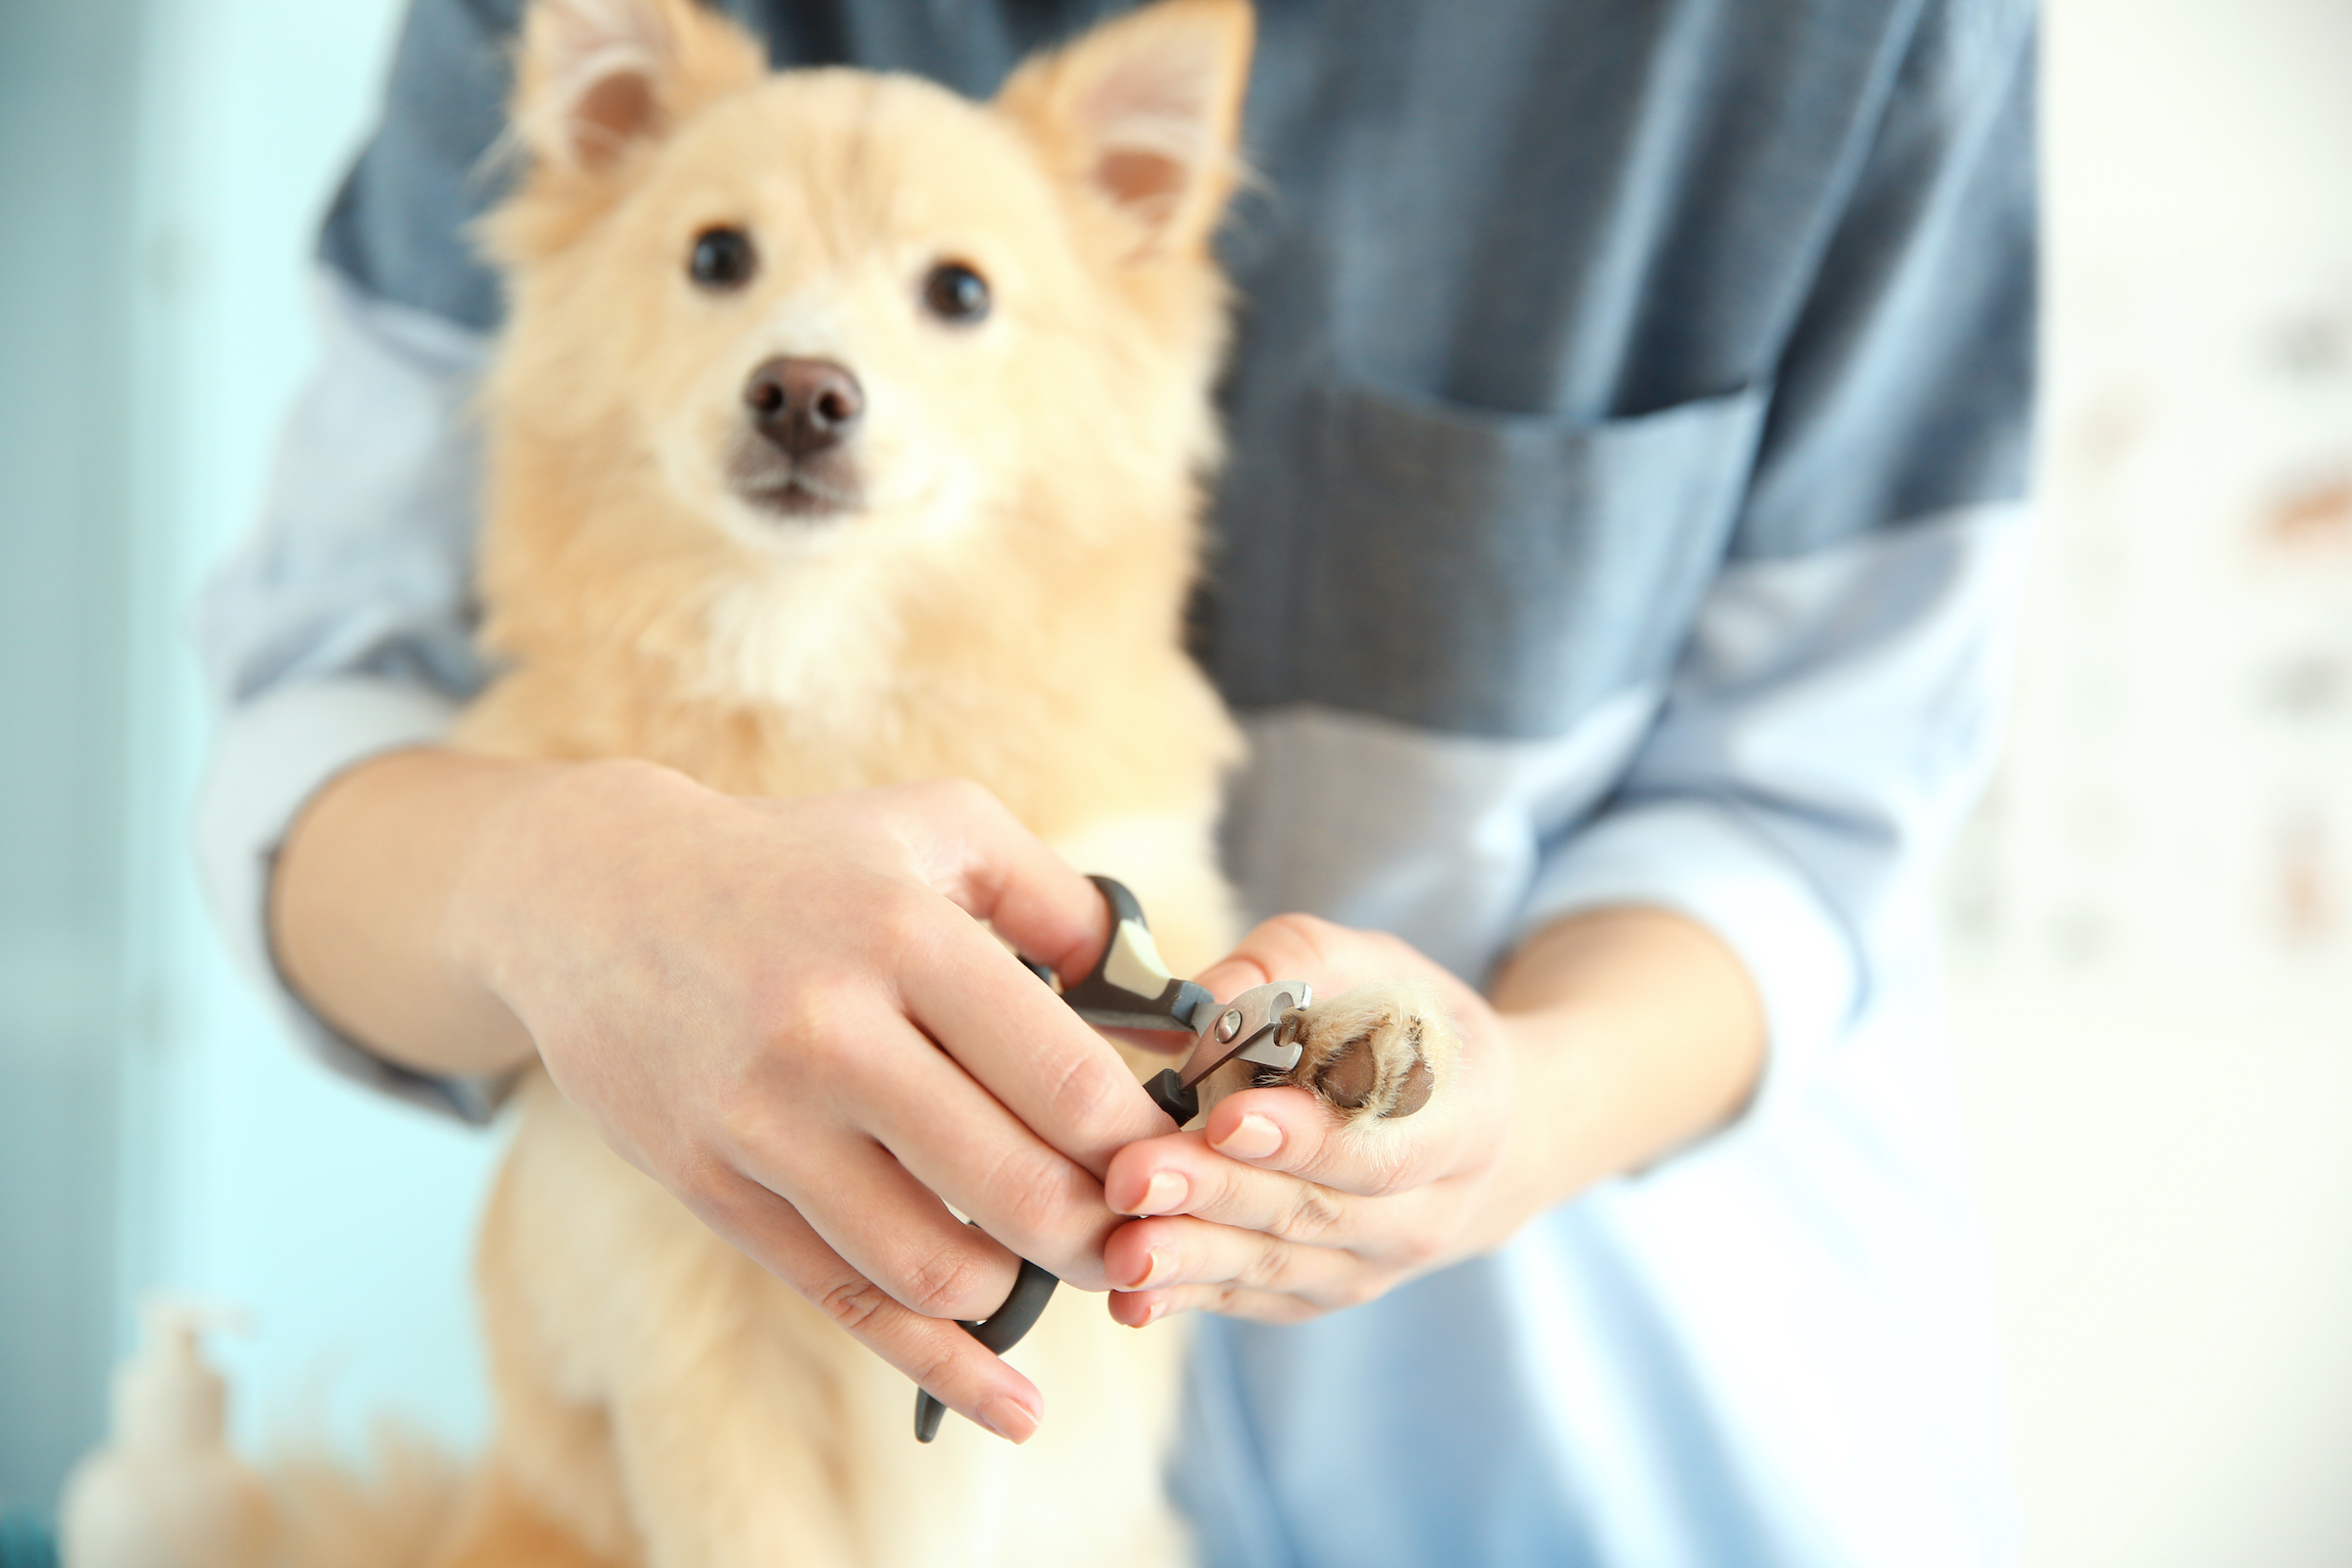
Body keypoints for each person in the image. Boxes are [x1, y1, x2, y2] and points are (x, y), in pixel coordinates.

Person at [195, 0, 2035, 1562]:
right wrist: (550, 879)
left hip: (1618, 1452)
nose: (808, 369)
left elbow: (1816, 796)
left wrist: (1521, 1105)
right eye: (722, 257)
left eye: (953, 290)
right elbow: (309, 710)